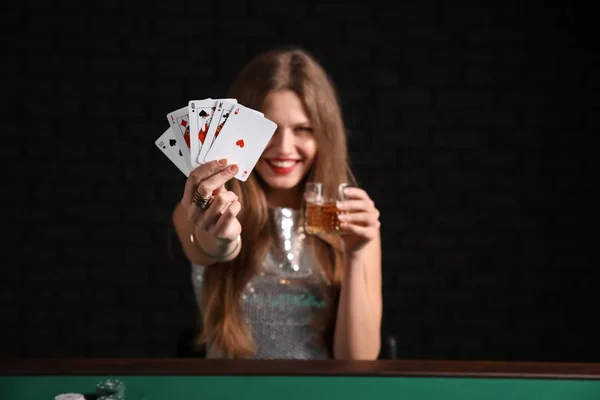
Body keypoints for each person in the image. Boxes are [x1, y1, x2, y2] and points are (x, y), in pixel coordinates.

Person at [172, 47, 382, 360]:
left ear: (325, 135)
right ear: (238, 133)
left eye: (303, 130)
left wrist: (354, 254)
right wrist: (223, 236)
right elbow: (214, 248)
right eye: (268, 130)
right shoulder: (202, 208)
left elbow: (358, 361)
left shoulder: (353, 221)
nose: (284, 148)